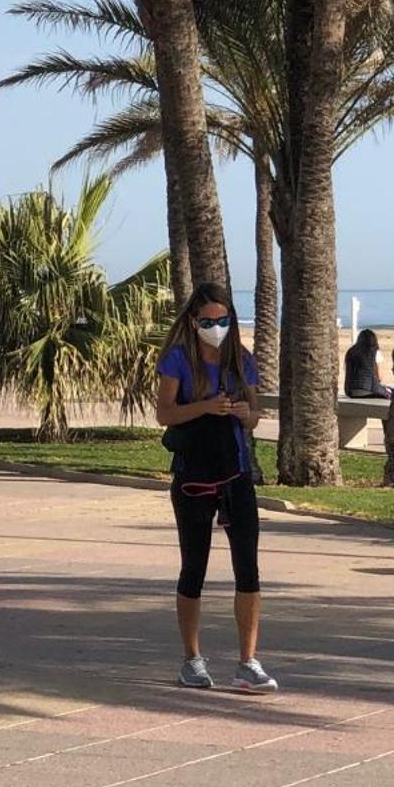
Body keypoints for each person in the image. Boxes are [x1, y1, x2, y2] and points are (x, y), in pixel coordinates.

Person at [155, 282, 276, 694]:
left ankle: (249, 661)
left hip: (236, 474)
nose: (216, 326)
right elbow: (164, 413)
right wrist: (205, 406)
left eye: (223, 320)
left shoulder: (240, 361)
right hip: (193, 476)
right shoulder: (178, 360)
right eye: (208, 321)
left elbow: (256, 414)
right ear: (193, 321)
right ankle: (192, 658)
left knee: (249, 568)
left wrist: (246, 412)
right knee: (195, 567)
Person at [343, 328, 393, 399]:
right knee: (390, 392)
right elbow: (380, 376)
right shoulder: (375, 352)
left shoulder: (351, 351)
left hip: (350, 391)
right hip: (369, 390)